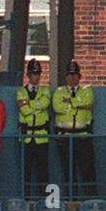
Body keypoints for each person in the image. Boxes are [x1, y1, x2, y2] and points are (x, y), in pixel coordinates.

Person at [52, 61, 94, 199]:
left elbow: (88, 103)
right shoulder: (59, 92)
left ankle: (91, 200)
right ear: (66, 77)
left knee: (88, 170)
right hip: (65, 137)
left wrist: (70, 102)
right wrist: (78, 104)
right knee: (69, 171)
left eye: (75, 75)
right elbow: (58, 108)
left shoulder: (86, 90)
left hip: (83, 136)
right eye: (70, 75)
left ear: (79, 77)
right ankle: (72, 199)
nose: (72, 78)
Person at [15, 59, 51, 197]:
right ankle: (26, 198)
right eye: (33, 73)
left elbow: (45, 103)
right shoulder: (20, 91)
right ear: (28, 75)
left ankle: (44, 200)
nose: (36, 76)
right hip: (26, 137)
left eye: (38, 73)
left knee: (43, 171)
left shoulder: (45, 90)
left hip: (42, 137)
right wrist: (36, 105)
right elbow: (24, 110)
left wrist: (29, 104)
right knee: (26, 171)